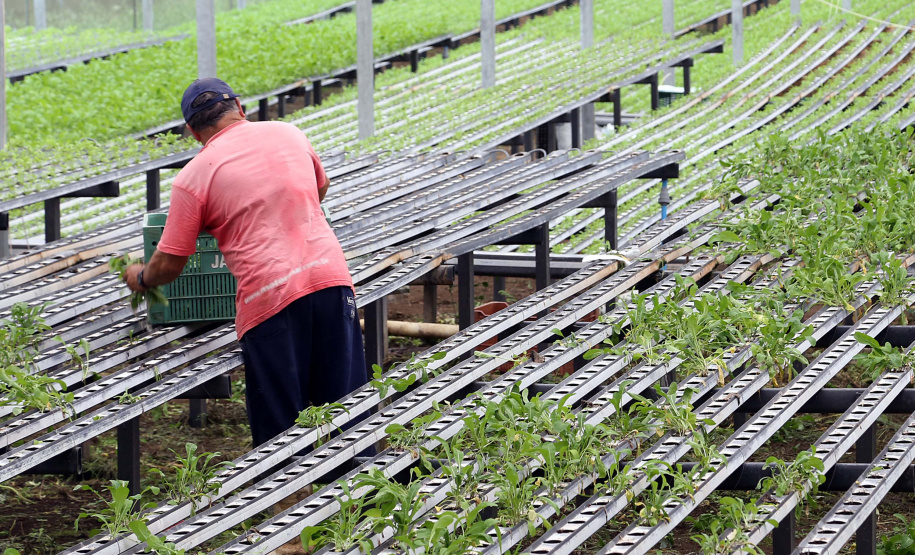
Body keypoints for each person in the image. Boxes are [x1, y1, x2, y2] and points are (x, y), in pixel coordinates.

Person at [122, 78, 369, 455]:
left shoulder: (194, 176)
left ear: (193, 132)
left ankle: (287, 488)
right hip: (330, 278)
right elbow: (319, 189)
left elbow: (170, 263)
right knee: (346, 411)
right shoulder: (289, 133)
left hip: (269, 298)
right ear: (239, 107)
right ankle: (358, 484)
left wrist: (140, 276)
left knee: (281, 431)